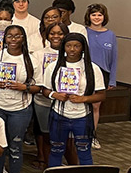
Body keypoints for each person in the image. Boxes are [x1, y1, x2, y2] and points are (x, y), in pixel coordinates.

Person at [41, 33, 105, 166]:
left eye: (76, 46)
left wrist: (84, 98)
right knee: (56, 150)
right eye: (68, 46)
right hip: (59, 115)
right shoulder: (53, 67)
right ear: (63, 47)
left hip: (82, 116)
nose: (72, 49)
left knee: (84, 151)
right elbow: (45, 90)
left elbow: (101, 94)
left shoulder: (92, 68)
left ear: (83, 48)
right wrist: (55, 95)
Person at [0, 25, 39, 173]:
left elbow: (38, 87)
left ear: (23, 38)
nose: (13, 39)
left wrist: (25, 87)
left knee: (15, 146)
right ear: (5, 38)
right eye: (10, 36)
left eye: (17, 36)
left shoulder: (31, 59)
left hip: (20, 109)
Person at [31, 22, 69, 169]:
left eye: (60, 33)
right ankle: (50, 169)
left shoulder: (72, 53)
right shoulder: (39, 55)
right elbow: (36, 78)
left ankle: (73, 170)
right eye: (52, 33)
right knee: (47, 137)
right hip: (43, 102)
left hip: (68, 104)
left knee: (68, 140)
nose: (56, 36)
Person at [85, 3, 117, 150]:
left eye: (99, 15)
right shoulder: (83, 32)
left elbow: (114, 59)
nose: (97, 17)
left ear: (104, 17)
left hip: (103, 73)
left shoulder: (110, 35)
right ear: (89, 16)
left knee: (96, 105)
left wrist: (112, 79)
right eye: (94, 15)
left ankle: (92, 135)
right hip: (85, 72)